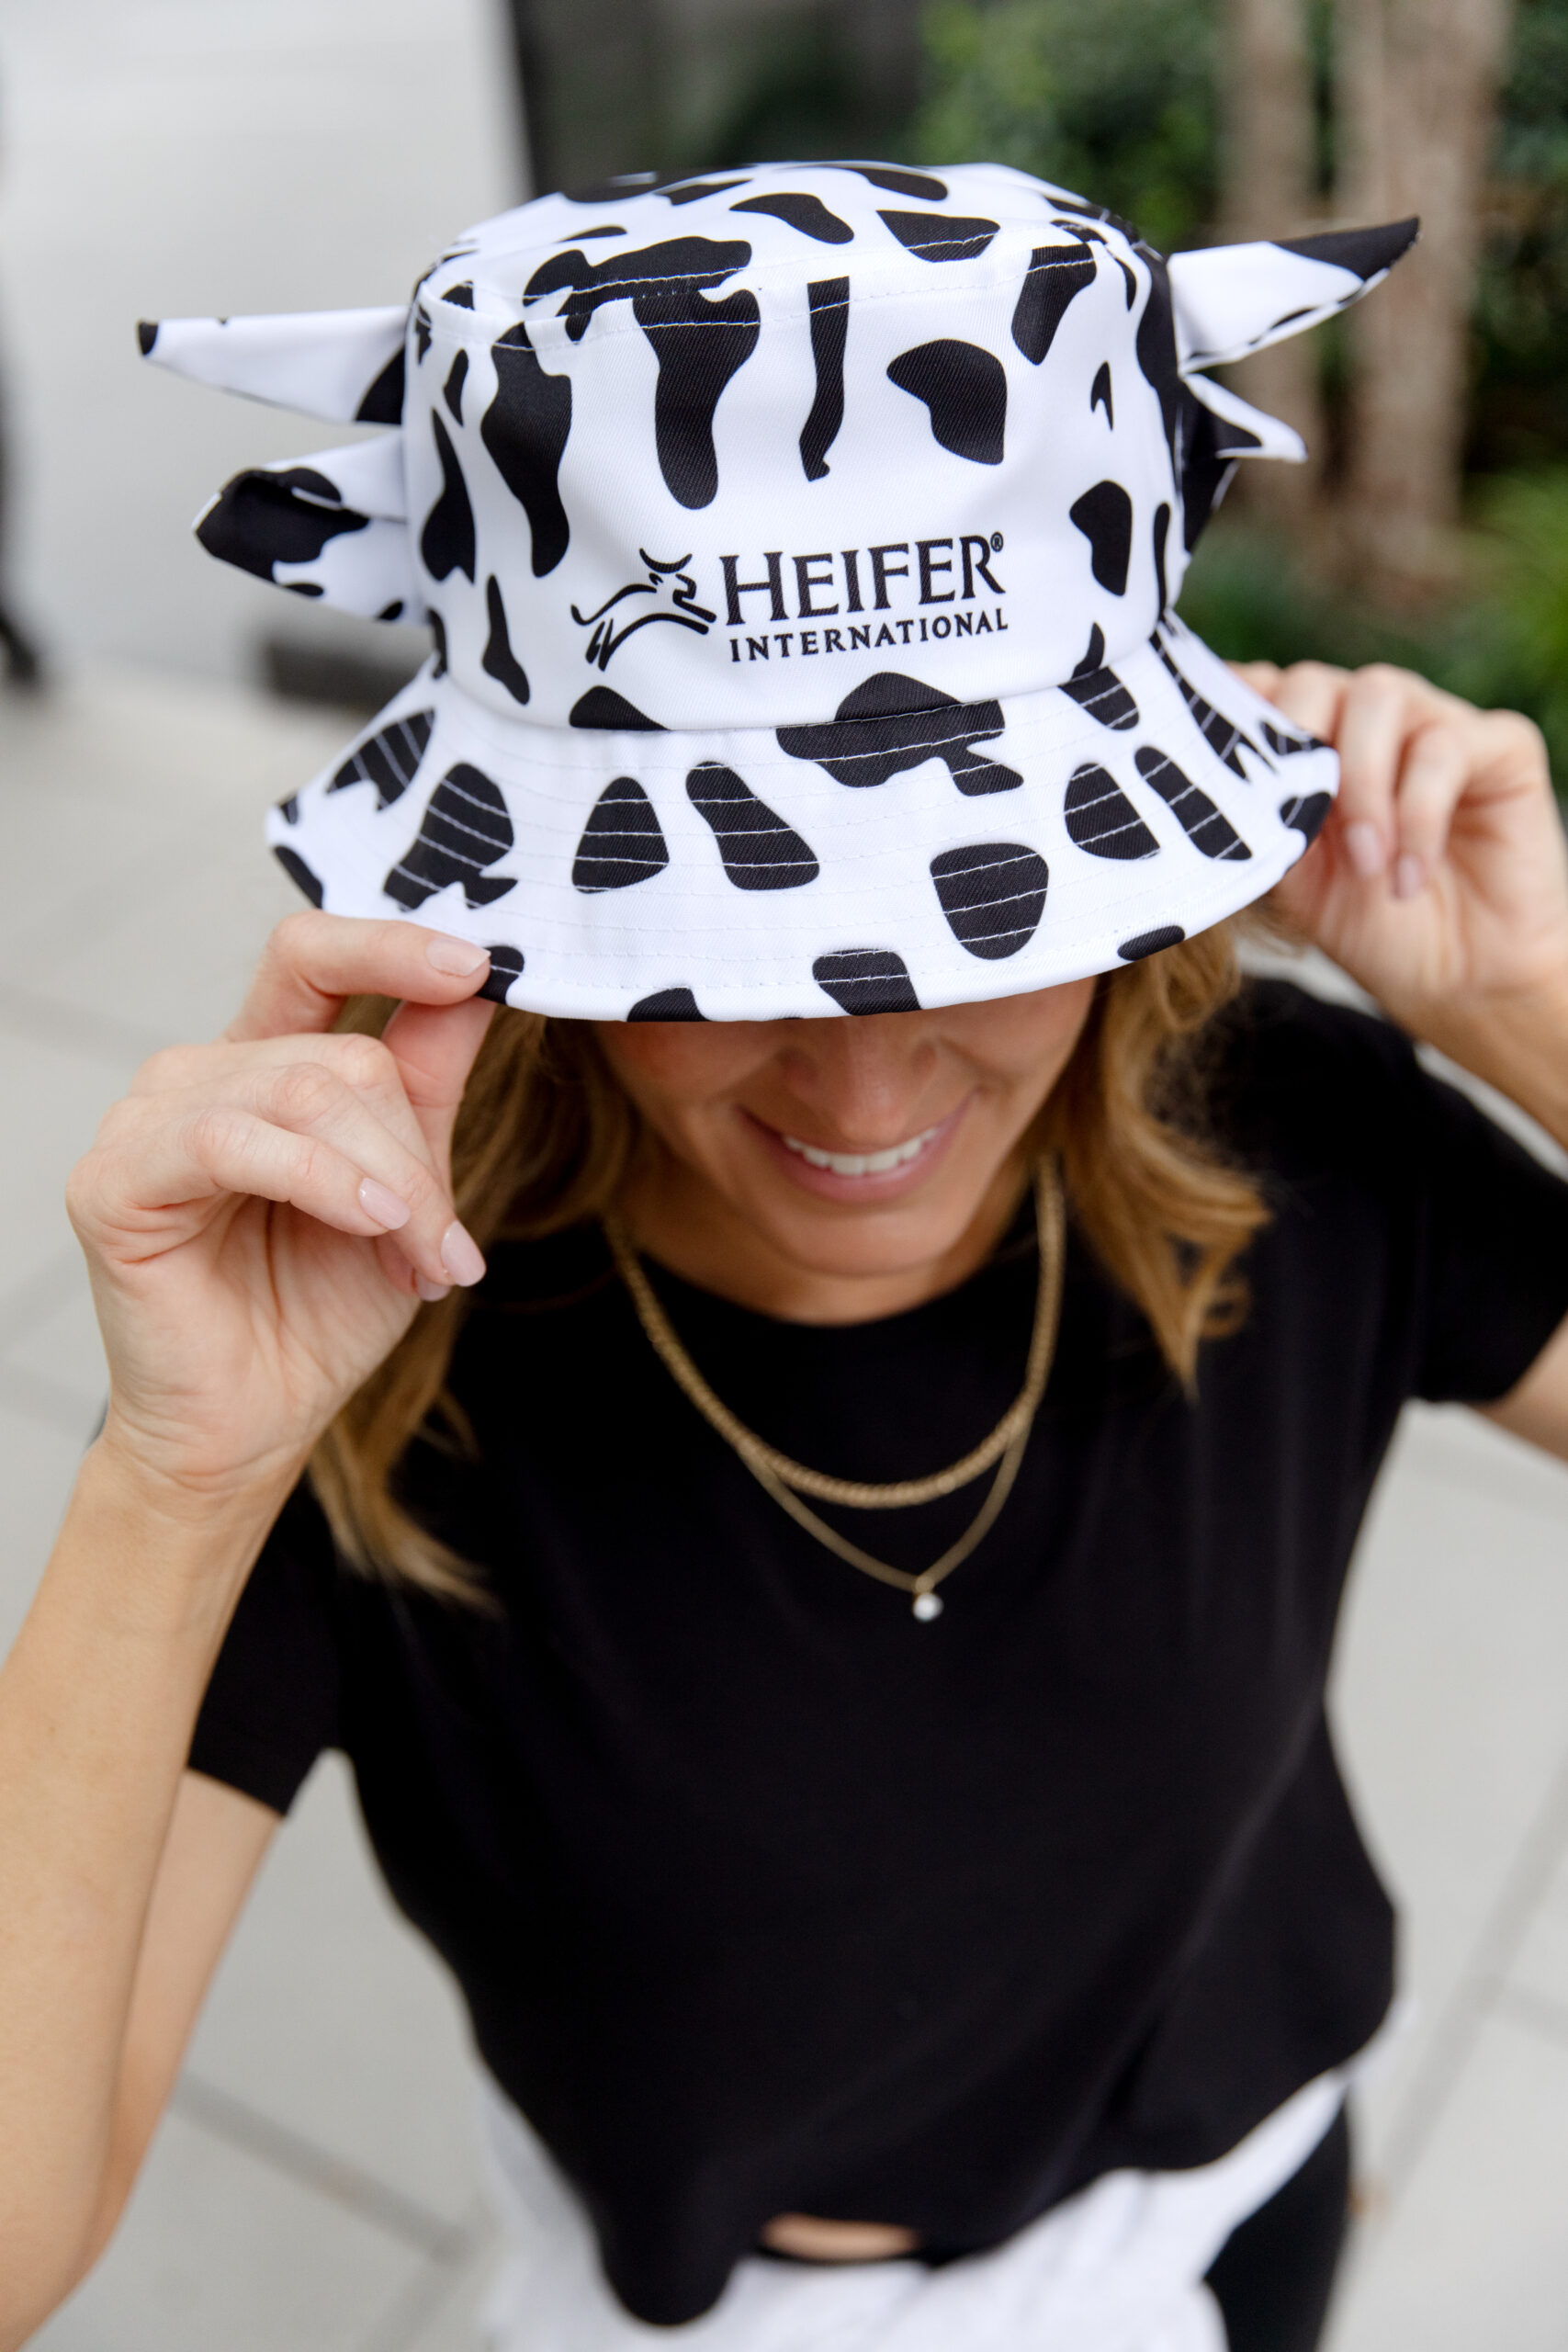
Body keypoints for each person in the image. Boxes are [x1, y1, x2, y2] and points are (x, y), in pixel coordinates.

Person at [3, 163, 1567, 2352]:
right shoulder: (370, 1365)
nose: (855, 1087)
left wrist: (1524, 1007)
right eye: (715, 937)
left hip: (1237, 2202)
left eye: (975, 917)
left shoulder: (1281, 1135)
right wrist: (169, 1485)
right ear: (522, 914)